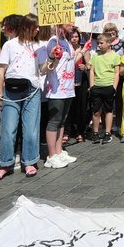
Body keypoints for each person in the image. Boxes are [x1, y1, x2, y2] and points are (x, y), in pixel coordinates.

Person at [0, 15, 47, 180]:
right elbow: (1, 70)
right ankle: (5, 163)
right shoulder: (10, 44)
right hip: (11, 89)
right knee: (8, 129)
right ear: (26, 27)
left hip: (32, 89)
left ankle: (29, 161)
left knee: (31, 129)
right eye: (34, 26)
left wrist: (52, 59)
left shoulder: (40, 46)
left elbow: (43, 70)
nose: (37, 29)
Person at [42, 24, 78, 169]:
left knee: (62, 121)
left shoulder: (67, 42)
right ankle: (51, 156)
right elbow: (50, 64)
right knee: (54, 121)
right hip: (57, 88)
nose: (72, 24)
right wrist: (54, 57)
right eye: (68, 21)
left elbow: (70, 62)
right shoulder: (53, 41)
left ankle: (58, 151)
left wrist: (83, 51)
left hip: (68, 88)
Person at [88, 34, 120, 144]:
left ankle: (107, 132)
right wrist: (92, 86)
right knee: (96, 111)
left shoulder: (115, 56)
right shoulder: (96, 55)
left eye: (101, 43)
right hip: (97, 87)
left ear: (109, 43)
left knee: (108, 110)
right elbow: (92, 71)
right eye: (98, 43)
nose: (99, 45)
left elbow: (116, 73)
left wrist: (114, 87)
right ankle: (95, 132)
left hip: (108, 87)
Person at [63, 29, 90, 144]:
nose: (74, 38)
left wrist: (85, 66)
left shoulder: (84, 49)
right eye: (72, 36)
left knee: (81, 108)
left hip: (81, 82)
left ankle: (80, 131)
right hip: (67, 82)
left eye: (76, 36)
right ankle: (67, 132)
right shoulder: (65, 48)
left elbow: (90, 65)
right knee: (67, 109)